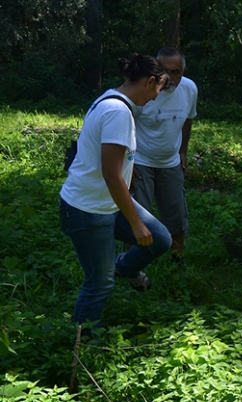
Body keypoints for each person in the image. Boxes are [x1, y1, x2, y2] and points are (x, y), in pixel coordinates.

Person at [59, 54, 172, 328]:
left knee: (160, 238)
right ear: (150, 82)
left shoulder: (112, 100)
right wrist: (135, 223)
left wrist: (128, 179)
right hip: (88, 210)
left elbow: (113, 164)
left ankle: (125, 267)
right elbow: (110, 173)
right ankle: (84, 345)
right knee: (99, 283)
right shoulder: (118, 112)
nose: (157, 97)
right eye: (159, 89)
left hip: (108, 203)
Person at [132, 46, 198, 265]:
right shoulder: (143, 90)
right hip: (140, 161)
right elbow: (126, 123)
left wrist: (183, 151)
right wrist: (127, 161)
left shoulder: (189, 90)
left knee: (176, 216)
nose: (169, 77)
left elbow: (188, 119)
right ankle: (133, 266)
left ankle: (176, 262)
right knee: (137, 217)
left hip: (170, 162)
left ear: (183, 71)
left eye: (176, 72)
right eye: (164, 70)